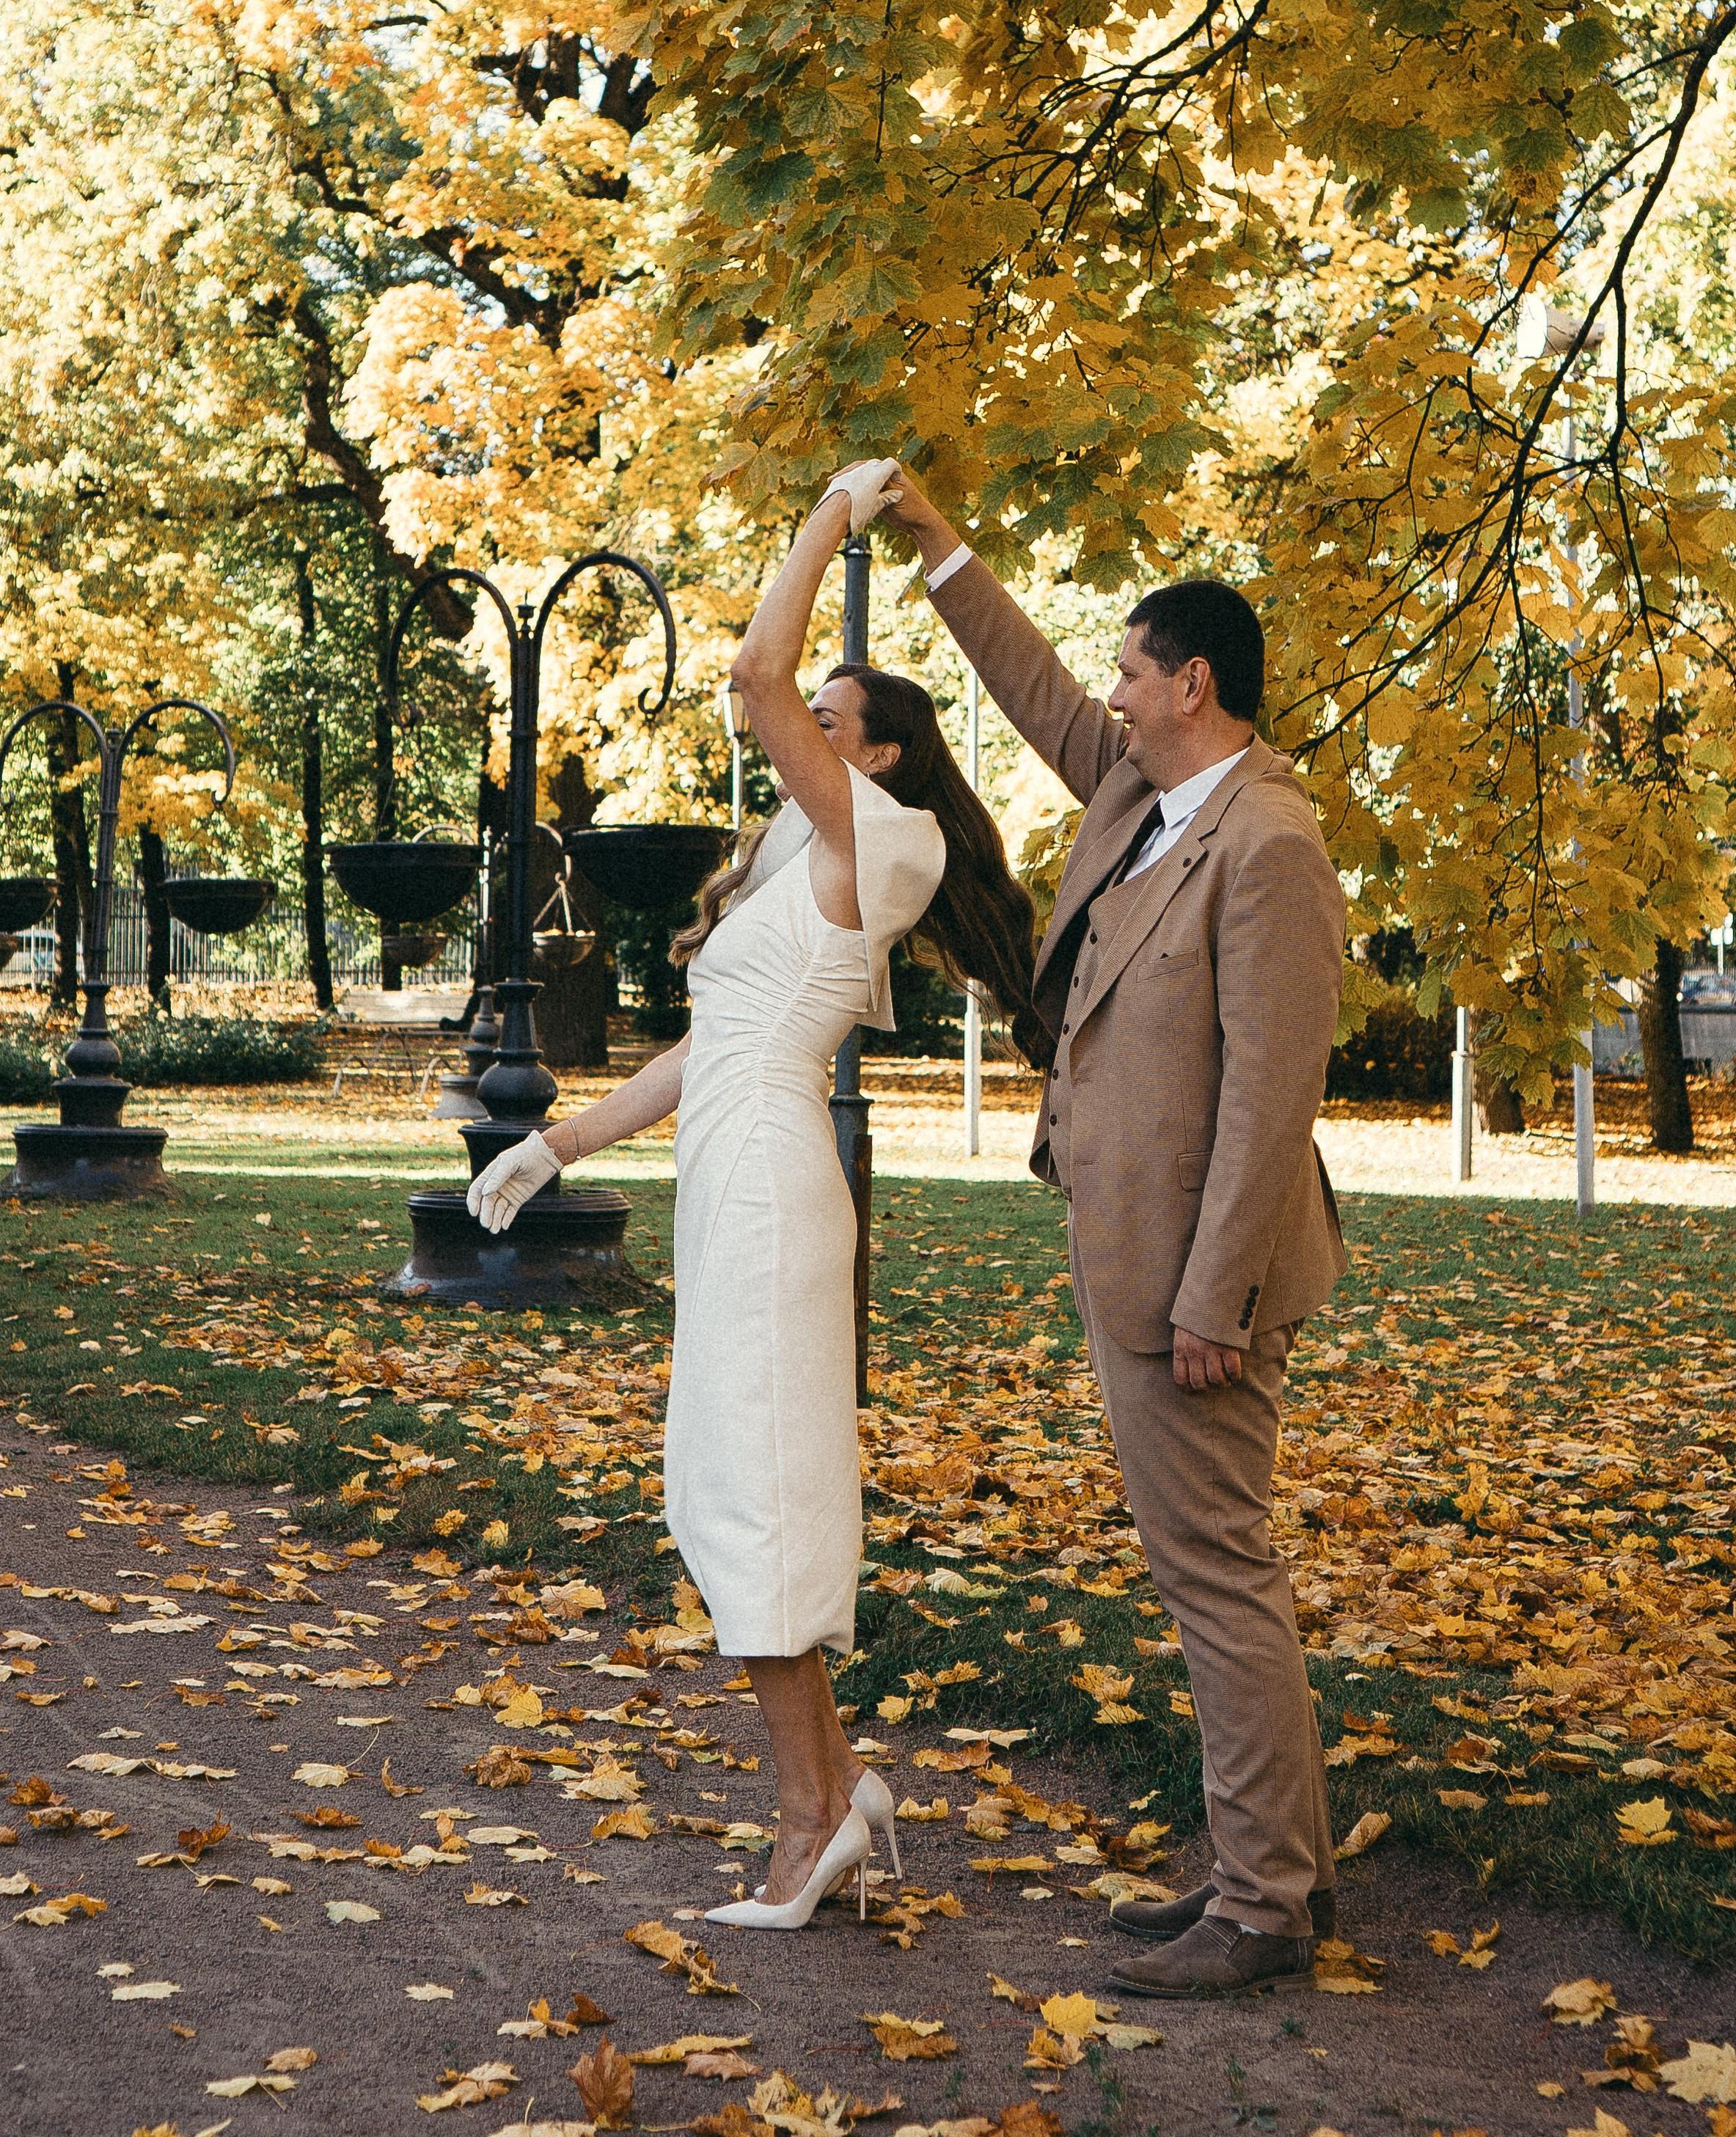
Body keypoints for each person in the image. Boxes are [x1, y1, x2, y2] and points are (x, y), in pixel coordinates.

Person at [465, 461, 1040, 1931]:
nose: (802, 733)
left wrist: (835, 518)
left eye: (833, 724)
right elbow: (696, 1053)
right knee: (729, 1476)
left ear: (885, 757)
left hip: (775, 1186)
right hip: (731, 1171)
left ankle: (805, 1826)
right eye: (816, 725)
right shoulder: (796, 854)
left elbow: (751, 667)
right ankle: (835, 1791)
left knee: (753, 1492)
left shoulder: (876, 843)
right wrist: (555, 1146)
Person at [882, 471, 1347, 2000]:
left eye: (1133, 671)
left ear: (1189, 684)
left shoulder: (1265, 842)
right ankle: (1257, 1873)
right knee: (1198, 1565)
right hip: (1130, 1244)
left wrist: (1213, 1293)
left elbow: (1270, 1101)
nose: (1112, 693)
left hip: (1196, 1277)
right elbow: (1028, 690)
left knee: (1215, 1571)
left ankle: (1266, 1905)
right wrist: (939, 542)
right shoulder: (1141, 796)